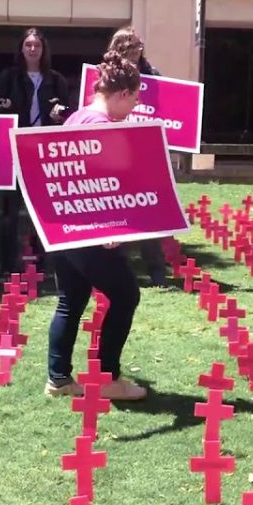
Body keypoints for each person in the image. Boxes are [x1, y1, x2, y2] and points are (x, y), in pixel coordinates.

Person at [43, 51, 148, 402]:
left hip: (64, 229)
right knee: (126, 294)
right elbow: (104, 188)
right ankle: (108, 378)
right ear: (121, 94)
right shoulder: (102, 129)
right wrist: (109, 230)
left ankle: (58, 379)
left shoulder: (75, 118)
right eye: (133, 100)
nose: (133, 108)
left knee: (70, 300)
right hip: (91, 233)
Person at [0, 28, 72, 280]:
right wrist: (3, 106)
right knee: (10, 213)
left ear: (43, 49)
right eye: (28, 45)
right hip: (16, 148)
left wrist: (60, 112)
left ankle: (41, 263)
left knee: (44, 210)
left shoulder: (55, 78)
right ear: (21, 49)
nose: (32, 49)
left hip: (44, 150)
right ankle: (7, 266)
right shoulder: (9, 77)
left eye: (36, 45)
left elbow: (68, 111)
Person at [107, 26, 168, 288]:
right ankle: (116, 268)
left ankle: (156, 270)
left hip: (144, 153)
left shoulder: (152, 75)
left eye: (139, 46)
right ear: (119, 48)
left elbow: (165, 108)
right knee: (118, 210)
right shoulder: (106, 75)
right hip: (115, 151)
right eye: (132, 46)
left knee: (148, 210)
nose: (137, 50)